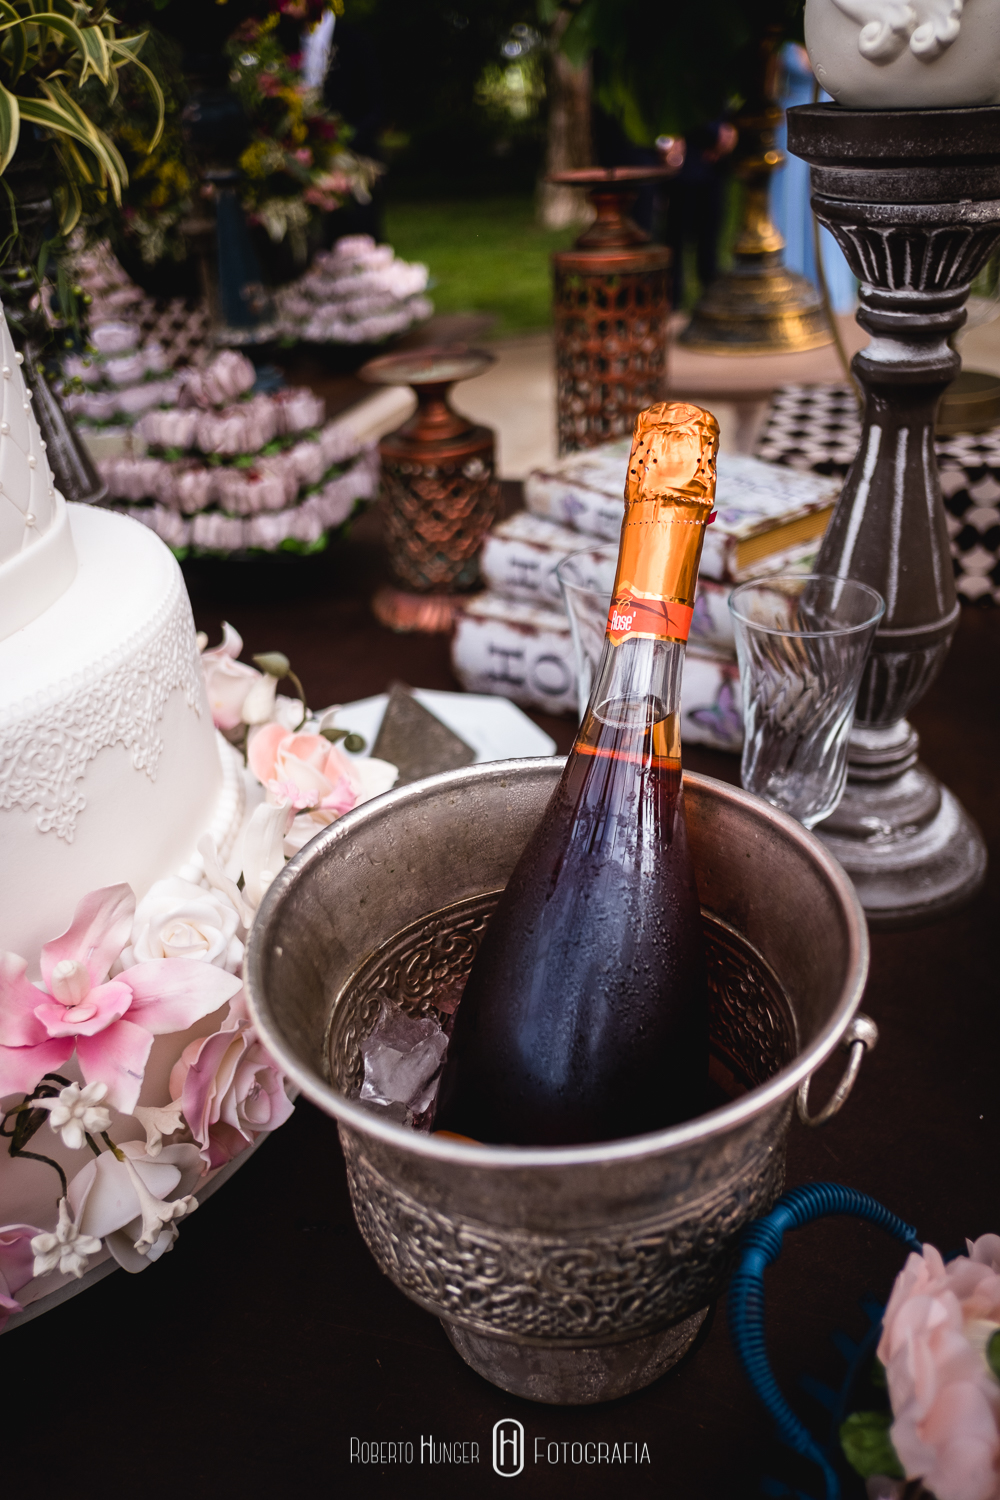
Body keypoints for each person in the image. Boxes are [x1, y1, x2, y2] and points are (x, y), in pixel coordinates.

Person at [771, 43, 856, 313]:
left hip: (827, 122)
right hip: (790, 123)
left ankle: (831, 288)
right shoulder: (782, 38)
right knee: (791, 202)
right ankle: (790, 282)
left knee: (827, 199)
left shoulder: (832, 30)